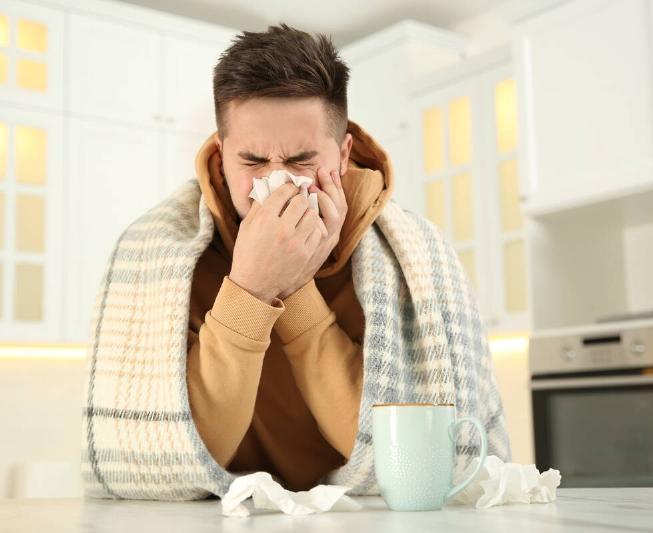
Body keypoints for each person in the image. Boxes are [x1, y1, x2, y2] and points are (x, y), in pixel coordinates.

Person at [81, 23, 510, 501]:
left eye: (302, 160)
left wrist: (294, 281)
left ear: (343, 155)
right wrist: (250, 287)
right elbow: (179, 455)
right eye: (253, 161)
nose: (278, 183)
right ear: (221, 157)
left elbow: (394, 458)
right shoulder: (157, 251)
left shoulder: (419, 255)